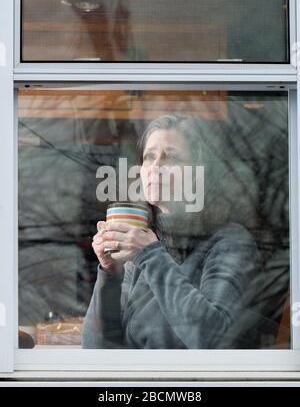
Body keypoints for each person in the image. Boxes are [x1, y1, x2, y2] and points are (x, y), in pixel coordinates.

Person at [82, 114, 264, 349]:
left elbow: (215, 341)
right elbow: (96, 348)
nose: (156, 167)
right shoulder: (147, 241)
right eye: (149, 157)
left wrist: (150, 256)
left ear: (200, 172)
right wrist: (110, 274)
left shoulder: (230, 243)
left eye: (171, 158)